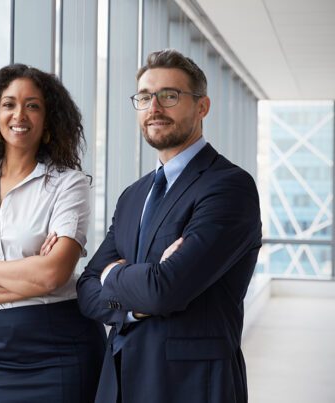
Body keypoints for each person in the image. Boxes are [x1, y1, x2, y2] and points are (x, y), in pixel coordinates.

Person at [76, 49, 262, 403]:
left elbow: (166, 289)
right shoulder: (134, 195)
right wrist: (139, 295)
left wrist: (112, 277)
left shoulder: (229, 186)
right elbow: (86, 289)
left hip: (192, 385)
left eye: (169, 96)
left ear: (202, 106)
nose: (154, 108)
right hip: (119, 381)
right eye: (145, 97)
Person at [0, 63, 106, 403]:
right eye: (9, 104)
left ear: (48, 118)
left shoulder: (68, 184)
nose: (19, 114)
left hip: (63, 350)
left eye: (33, 105)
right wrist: (29, 279)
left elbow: (53, 274)